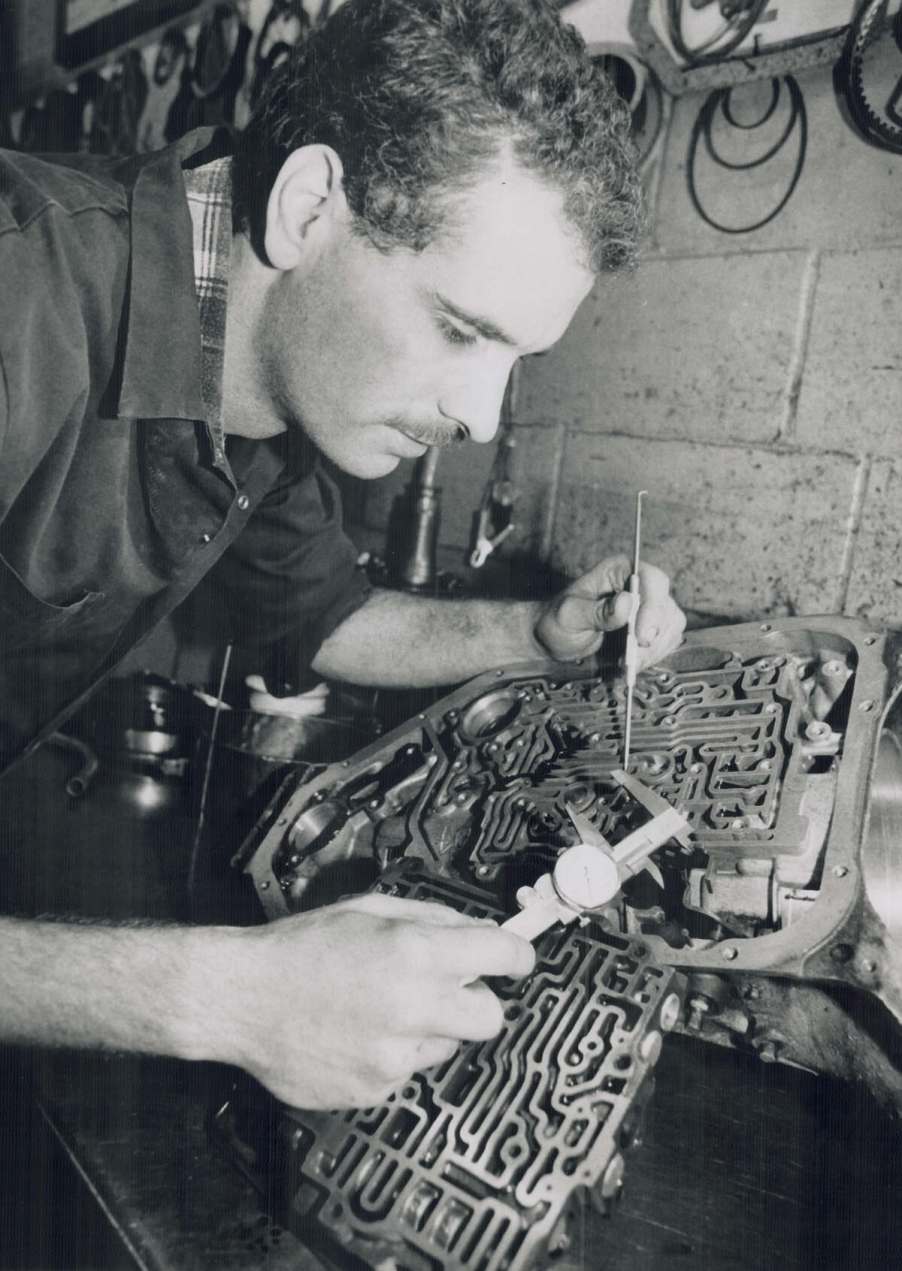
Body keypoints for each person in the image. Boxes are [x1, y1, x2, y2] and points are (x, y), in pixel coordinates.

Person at [0, 0, 685, 1110]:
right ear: (309, 205)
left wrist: (537, 632)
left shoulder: (256, 384)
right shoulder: (20, 301)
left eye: (518, 358)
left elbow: (324, 618)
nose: (476, 412)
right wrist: (224, 999)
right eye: (462, 330)